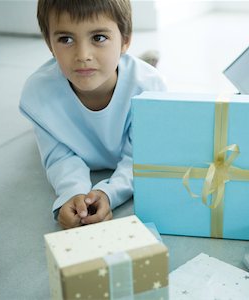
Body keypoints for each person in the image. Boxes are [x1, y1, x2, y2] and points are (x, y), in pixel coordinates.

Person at [19, 0, 166, 229]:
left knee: (143, 79)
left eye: (98, 38)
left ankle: (137, 61)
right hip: (59, 104)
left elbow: (140, 156)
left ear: (125, 39)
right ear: (49, 43)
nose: (83, 55)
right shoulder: (39, 94)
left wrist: (109, 193)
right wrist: (72, 193)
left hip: (136, 83)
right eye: (66, 39)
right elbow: (60, 157)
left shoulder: (150, 88)